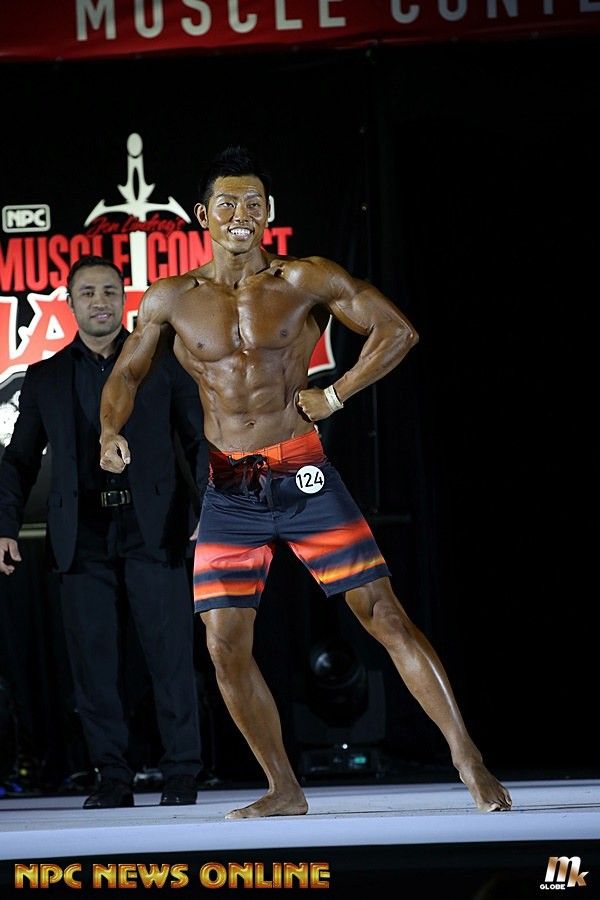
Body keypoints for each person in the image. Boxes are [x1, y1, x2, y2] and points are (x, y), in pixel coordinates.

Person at [99, 147, 512, 819]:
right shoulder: (172, 298)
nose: (240, 214)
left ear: (269, 214)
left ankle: (468, 758)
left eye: (253, 203)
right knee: (223, 646)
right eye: (227, 203)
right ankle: (284, 788)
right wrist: (107, 430)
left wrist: (338, 393)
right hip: (229, 487)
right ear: (203, 215)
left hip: (301, 471)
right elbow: (126, 372)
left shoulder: (304, 279)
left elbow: (398, 331)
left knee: (383, 615)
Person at [0, 255, 206, 809]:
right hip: (82, 535)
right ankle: (112, 776)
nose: (100, 301)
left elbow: (198, 441)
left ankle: (182, 772)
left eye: (110, 291)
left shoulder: (163, 366)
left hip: (153, 528)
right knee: (94, 666)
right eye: (88, 292)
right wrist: (5, 526)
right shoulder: (45, 378)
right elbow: (18, 461)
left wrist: (208, 510)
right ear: (70, 303)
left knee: (169, 657)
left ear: (125, 300)